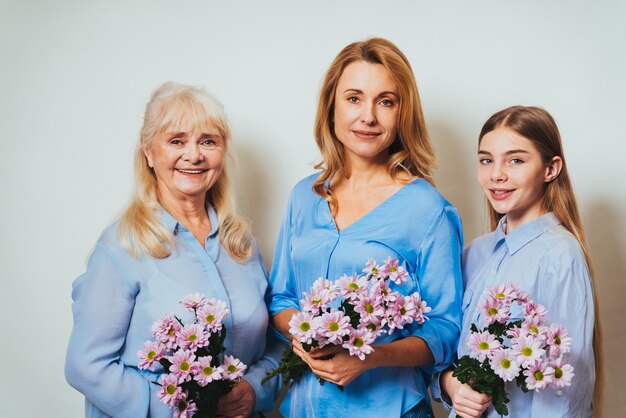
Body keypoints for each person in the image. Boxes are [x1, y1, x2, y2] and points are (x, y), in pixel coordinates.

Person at [268, 38, 464, 418]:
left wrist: (371, 356)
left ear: (402, 113)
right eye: (354, 98)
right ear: (332, 106)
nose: (368, 116)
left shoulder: (429, 210)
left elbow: (446, 328)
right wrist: (306, 333)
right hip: (303, 408)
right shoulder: (303, 197)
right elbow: (281, 298)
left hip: (391, 409)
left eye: (385, 101)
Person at [65, 82, 281, 418]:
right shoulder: (121, 246)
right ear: (149, 152)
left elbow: (277, 342)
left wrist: (255, 388)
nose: (194, 155)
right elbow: (86, 365)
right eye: (176, 141)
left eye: (208, 141)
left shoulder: (241, 243)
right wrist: (182, 408)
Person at [434, 106, 603, 417]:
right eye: (486, 160)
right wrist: (452, 384)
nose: (496, 174)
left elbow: (564, 392)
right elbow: (443, 352)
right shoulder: (473, 253)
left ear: (551, 169)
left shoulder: (560, 255)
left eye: (515, 160)